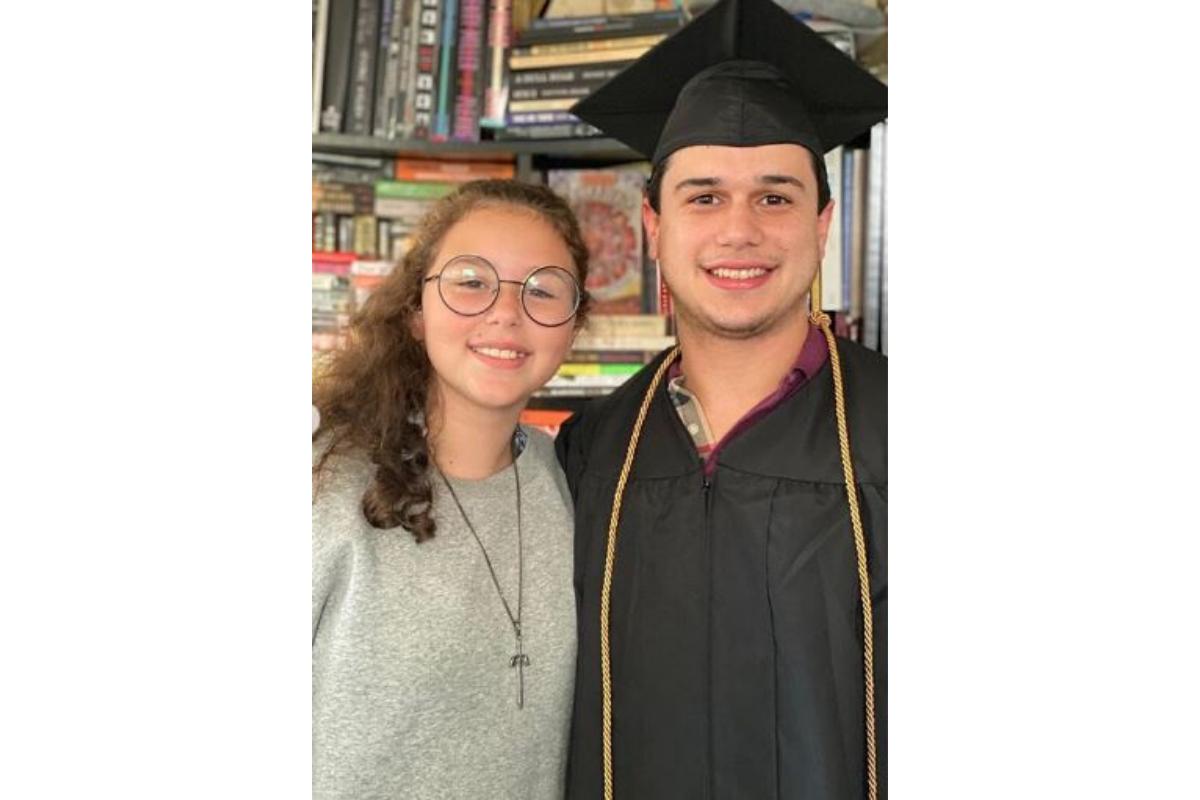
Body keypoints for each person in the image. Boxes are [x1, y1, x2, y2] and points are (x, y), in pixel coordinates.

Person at [555, 0, 888, 797]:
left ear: (823, 225)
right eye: (704, 197)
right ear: (652, 226)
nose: (739, 230)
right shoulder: (589, 451)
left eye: (775, 197)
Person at [312, 179, 591, 800]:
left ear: (573, 328)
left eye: (543, 290)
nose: (506, 312)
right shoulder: (321, 480)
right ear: (415, 311)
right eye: (471, 281)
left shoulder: (573, 480)